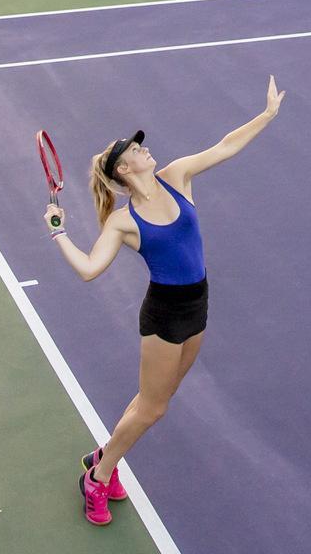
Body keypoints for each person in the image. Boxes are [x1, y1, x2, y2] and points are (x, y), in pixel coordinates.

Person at [47, 79, 285, 528]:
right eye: (135, 151)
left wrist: (267, 115)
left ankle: (105, 453)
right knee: (153, 407)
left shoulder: (176, 176)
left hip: (198, 302)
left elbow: (225, 146)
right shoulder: (123, 221)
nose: (144, 150)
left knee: (158, 398)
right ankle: (97, 477)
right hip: (165, 315)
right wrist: (60, 232)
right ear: (122, 169)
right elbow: (89, 269)